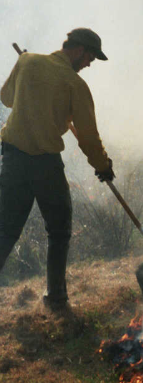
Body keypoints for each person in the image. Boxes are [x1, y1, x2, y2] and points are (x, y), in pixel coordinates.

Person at [0, 27, 114, 313]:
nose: (89, 64)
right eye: (90, 58)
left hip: (12, 160)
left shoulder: (28, 62)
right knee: (59, 230)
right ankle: (57, 300)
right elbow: (88, 135)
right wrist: (103, 166)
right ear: (77, 50)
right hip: (45, 165)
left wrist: (28, 77)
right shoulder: (74, 85)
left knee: (5, 231)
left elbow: (6, 98)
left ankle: (57, 299)